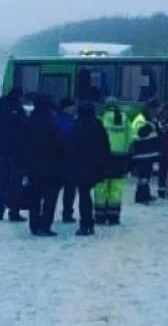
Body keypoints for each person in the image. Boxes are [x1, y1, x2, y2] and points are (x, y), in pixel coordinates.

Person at [69, 101, 111, 236]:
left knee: (83, 195)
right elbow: (105, 146)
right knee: (87, 194)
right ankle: (89, 223)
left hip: (80, 166)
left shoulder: (77, 125)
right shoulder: (98, 125)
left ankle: (85, 224)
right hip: (95, 166)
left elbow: (71, 146)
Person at [25, 94, 63, 237]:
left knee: (34, 197)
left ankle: (34, 225)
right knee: (50, 198)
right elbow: (59, 144)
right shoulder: (52, 123)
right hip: (51, 167)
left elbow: (23, 144)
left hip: (33, 167)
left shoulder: (30, 121)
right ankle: (45, 226)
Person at [95, 97, 132, 225]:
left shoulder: (102, 119)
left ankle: (100, 215)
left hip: (105, 157)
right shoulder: (124, 118)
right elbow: (130, 136)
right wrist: (126, 151)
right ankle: (114, 216)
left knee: (101, 185)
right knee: (116, 186)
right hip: (120, 157)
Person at [0, 94, 27, 222]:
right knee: (15, 185)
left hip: (0, 154)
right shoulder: (18, 113)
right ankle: (14, 212)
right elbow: (24, 132)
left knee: (1, 184)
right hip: (16, 154)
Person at [131, 99, 161, 204]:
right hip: (142, 153)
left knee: (146, 176)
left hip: (149, 153)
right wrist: (151, 125)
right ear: (150, 109)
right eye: (156, 109)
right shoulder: (141, 119)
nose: (157, 111)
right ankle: (141, 197)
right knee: (143, 176)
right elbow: (140, 134)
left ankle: (145, 195)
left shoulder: (151, 119)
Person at [54, 98, 77, 223]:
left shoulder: (57, 119)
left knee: (65, 188)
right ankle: (67, 213)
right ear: (66, 108)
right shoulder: (67, 121)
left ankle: (65, 212)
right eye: (72, 107)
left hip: (61, 160)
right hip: (67, 159)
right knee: (69, 188)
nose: (74, 109)